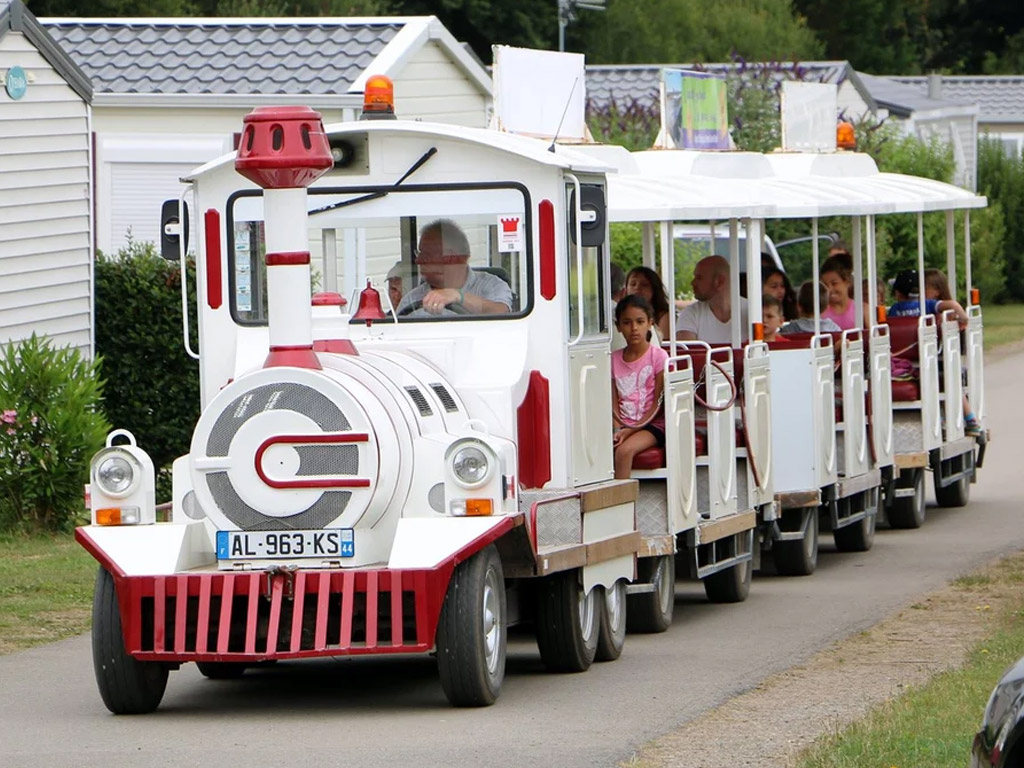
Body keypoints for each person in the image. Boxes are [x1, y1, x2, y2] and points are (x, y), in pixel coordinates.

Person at [888, 268, 980, 437]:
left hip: (902, 362)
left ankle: (939, 421)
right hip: (928, 358)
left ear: (898, 293)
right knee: (950, 379)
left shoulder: (893, 309)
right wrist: (964, 320)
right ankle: (970, 420)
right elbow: (952, 305)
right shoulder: (928, 305)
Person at [396, 219, 512, 316]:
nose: (418, 260)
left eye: (427, 255)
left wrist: (458, 296)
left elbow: (502, 312)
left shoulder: (491, 285)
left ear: (452, 257)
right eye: (419, 253)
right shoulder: (411, 299)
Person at [611, 295, 668, 480]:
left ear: (650, 323)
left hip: (652, 425)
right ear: (618, 327)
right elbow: (613, 404)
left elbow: (657, 405)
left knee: (624, 451)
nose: (634, 328)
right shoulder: (612, 359)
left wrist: (630, 430)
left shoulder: (658, 357)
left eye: (640, 322)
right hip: (623, 425)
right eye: (627, 323)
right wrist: (618, 429)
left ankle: (622, 506)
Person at [676, 255, 748, 344]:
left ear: (719, 281)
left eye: (699, 278)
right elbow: (687, 353)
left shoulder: (750, 311)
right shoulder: (691, 313)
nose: (692, 283)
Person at [625, 266, 671, 341]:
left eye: (644, 285)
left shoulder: (663, 315)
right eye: (633, 284)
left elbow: (666, 345)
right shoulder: (621, 312)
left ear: (654, 289)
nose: (637, 288)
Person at [820, 256, 858, 330]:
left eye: (834, 283)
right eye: (825, 285)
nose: (829, 289)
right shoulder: (820, 313)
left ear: (847, 282)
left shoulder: (862, 310)